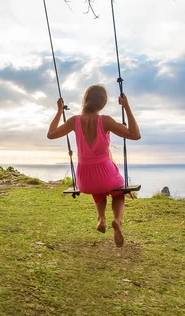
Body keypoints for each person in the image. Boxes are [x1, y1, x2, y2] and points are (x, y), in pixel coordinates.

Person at [47, 84, 141, 247]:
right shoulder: (105, 121)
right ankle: (117, 221)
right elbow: (135, 135)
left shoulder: (74, 121)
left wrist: (59, 112)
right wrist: (127, 107)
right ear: (103, 103)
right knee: (118, 191)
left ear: (86, 101)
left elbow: (51, 134)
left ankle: (101, 219)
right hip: (106, 175)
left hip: (84, 179)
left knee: (97, 188)